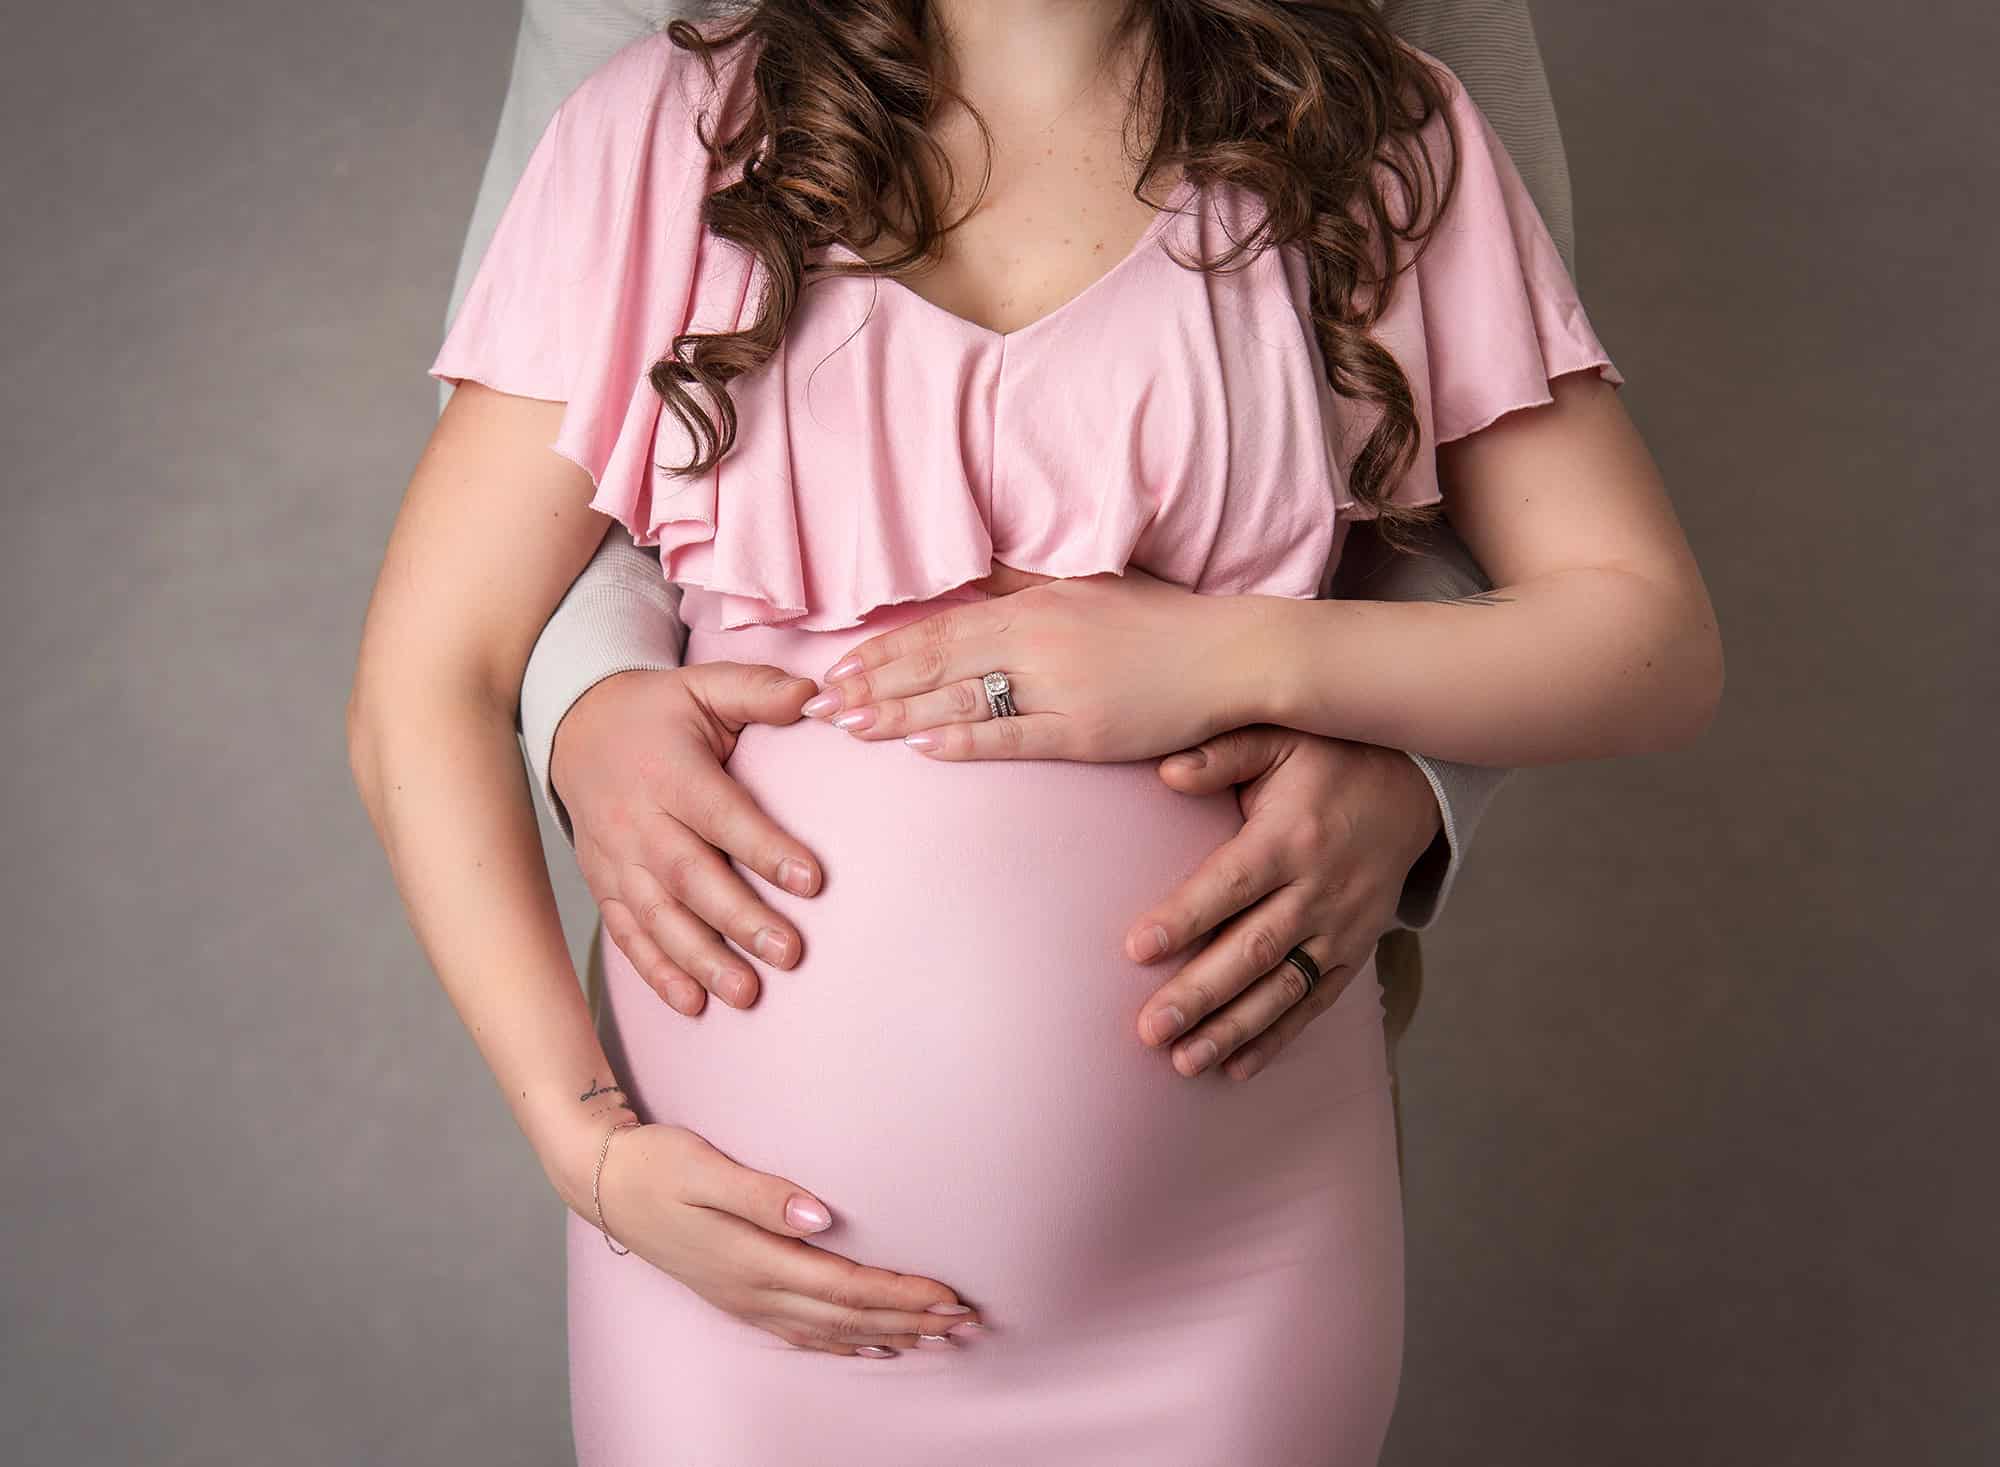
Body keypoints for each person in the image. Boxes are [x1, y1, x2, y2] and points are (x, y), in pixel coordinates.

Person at [353, 4, 1721, 1463]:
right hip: (735, 1294)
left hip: (1226, 1291)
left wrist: (1248, 653)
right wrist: (586, 1148)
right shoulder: (665, 126)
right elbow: (422, 683)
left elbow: (1650, 646)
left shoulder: (1374, 134)